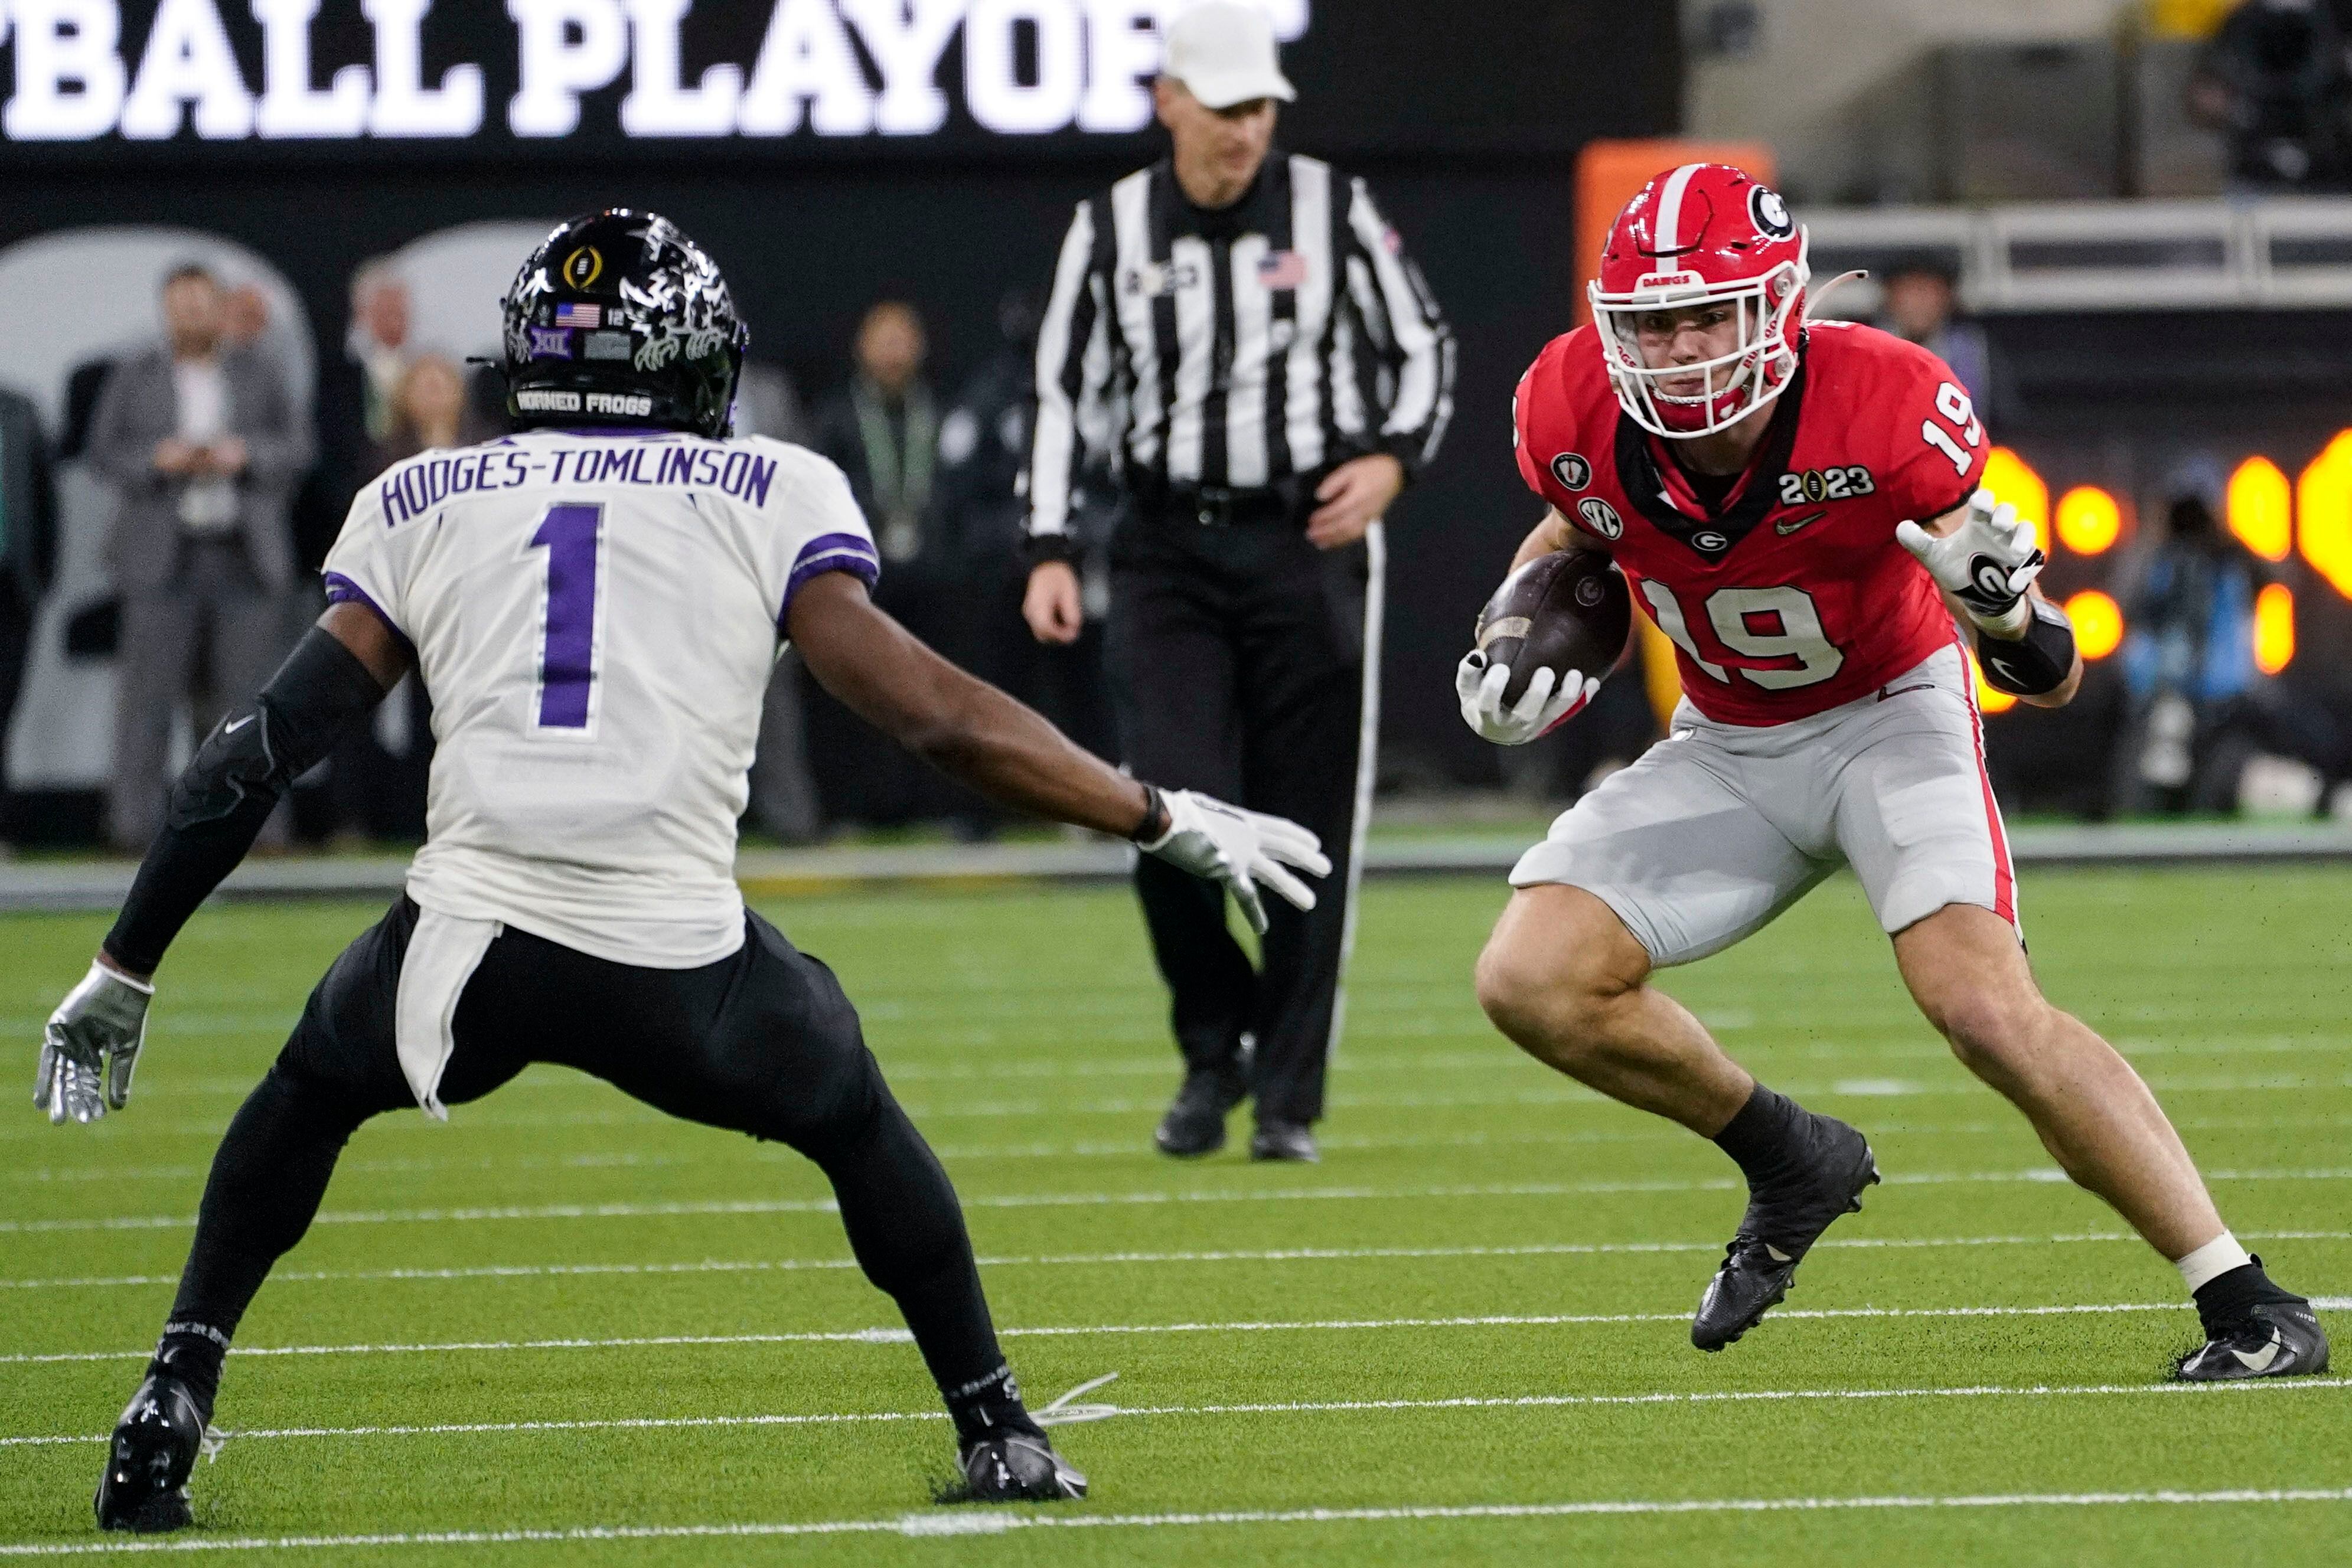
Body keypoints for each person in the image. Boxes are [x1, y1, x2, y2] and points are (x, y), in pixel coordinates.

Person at [34, 209, 1326, 1534]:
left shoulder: (417, 494)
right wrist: (1149, 810)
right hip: (680, 960)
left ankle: (170, 1393)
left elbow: (254, 751)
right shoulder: (772, 487)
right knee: (854, 1119)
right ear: (690, 359)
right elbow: (934, 715)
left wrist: (123, 961)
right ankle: (993, 1419)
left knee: (305, 1091)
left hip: (459, 946)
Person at [1464, 164, 2328, 1380]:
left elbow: (2053, 672)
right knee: (1528, 977)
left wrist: (2003, 618)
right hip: (1724, 739)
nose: (1676, 350)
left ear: (1776, 307)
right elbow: (1572, 529)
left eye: (1705, 314)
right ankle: (1785, 1154)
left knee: (1980, 1008)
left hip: (1886, 718)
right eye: (1651, 323)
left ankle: (2246, 1298)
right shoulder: (1567, 407)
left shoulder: (1885, 402)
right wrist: (1517, 621)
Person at [1022, 0, 1454, 1163]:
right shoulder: (1108, 224)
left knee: (1308, 830)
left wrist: (1389, 459)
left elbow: (1421, 348)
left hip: (1302, 540)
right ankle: (1212, 1047)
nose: (1243, 130)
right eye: (1221, 107)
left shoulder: (1329, 205)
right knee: (1164, 808)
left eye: (1259, 106)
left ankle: (1286, 1099)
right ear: (1167, 102)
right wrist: (1050, 542)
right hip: (1165, 546)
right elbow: (1062, 388)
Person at [87, 263, 312, 853]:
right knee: (146, 703)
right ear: (165, 310)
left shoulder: (258, 370)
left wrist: (245, 454)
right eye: (180, 304)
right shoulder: (135, 374)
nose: (191, 314)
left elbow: (296, 446)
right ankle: (133, 831)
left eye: (202, 303)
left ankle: (260, 832)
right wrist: (158, 459)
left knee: (253, 705)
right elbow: (104, 451)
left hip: (244, 555)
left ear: (220, 308)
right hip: (161, 556)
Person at [937, 289, 1115, 837]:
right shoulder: (991, 396)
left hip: (1075, 566)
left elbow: (1116, 485)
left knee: (1091, 696)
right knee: (990, 693)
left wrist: (1084, 534)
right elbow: (958, 486)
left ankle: (1102, 809)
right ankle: (977, 815)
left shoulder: (1096, 395)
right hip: (1003, 575)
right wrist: (1009, 538)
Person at [2116, 455, 2351, 814]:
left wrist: (2226, 536)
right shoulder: (2155, 562)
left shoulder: (2232, 561)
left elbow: (2283, 578)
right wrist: (2158, 535)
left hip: (2229, 711)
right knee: (2145, 777)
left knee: (2235, 779)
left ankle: (2327, 800)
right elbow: (2125, 601)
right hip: (2162, 706)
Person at [809, 300, 954, 827]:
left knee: (935, 691)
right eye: (883, 338)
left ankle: (938, 808)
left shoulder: (941, 411)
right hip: (862, 576)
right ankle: (853, 809)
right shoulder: (836, 415)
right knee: (855, 695)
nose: (893, 351)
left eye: (903, 338)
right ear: (861, 347)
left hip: (932, 576)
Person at [0, 387, 60, 847]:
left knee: (4, 706)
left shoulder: (20, 411)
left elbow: (45, 499)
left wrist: (41, 578)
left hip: (11, 587)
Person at [1874, 254, 2002, 433]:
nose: (1919, 302)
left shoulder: (1972, 351)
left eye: (1929, 291)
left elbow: (2001, 420)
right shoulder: (1865, 351)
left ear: (1948, 299)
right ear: (1890, 298)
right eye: (1909, 290)